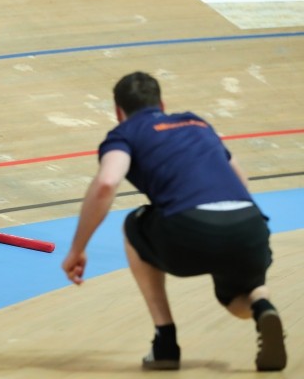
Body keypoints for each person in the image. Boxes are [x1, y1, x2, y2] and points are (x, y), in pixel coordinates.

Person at [62, 72, 287, 371]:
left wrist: (77, 249)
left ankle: (165, 341)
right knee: (239, 300)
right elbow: (240, 180)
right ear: (162, 103)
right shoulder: (198, 123)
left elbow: (106, 182)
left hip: (190, 228)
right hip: (249, 226)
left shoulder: (125, 133)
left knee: (133, 225)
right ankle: (263, 306)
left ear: (119, 112)